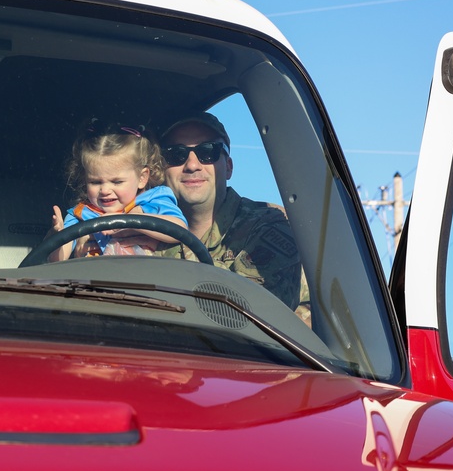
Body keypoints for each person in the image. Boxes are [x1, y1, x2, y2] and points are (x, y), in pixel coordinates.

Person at [159, 112, 307, 317]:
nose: (192, 166)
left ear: (228, 167)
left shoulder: (268, 225)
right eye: (176, 154)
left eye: (208, 151)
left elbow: (251, 319)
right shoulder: (145, 230)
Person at [48, 121, 188, 262]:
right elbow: (56, 260)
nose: (105, 190)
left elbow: (180, 230)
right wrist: (56, 238)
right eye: (95, 182)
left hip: (148, 280)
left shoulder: (153, 199)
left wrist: (133, 221)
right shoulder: (81, 214)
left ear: (142, 178)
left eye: (117, 182)